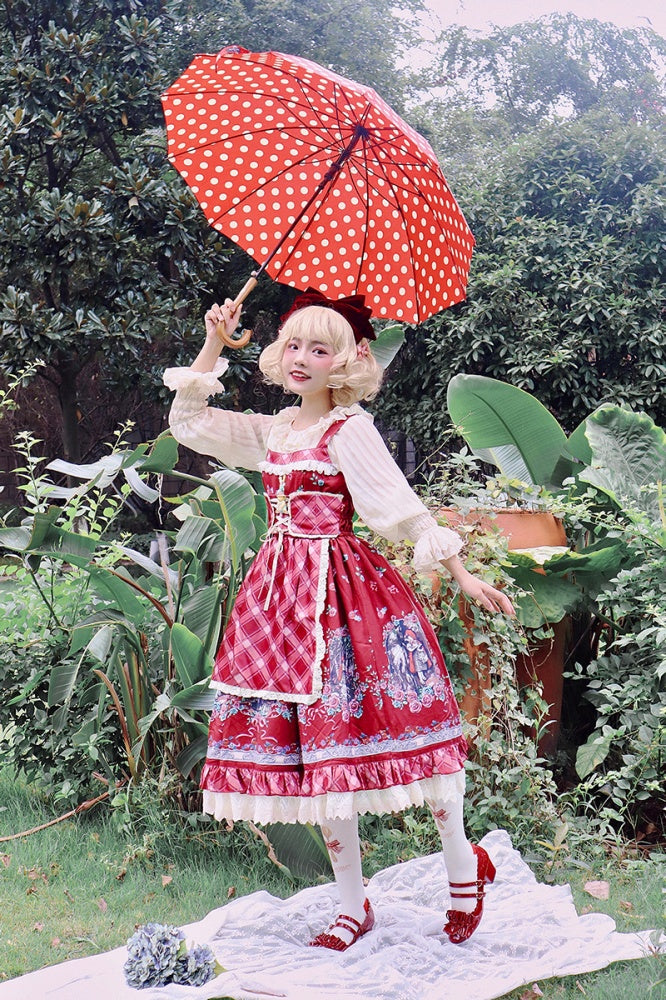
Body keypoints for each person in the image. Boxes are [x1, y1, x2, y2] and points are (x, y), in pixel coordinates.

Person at [163, 288, 515, 951]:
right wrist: (215, 339)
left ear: (347, 362)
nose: (301, 359)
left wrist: (462, 572)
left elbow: (399, 506)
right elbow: (189, 421)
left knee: (415, 730)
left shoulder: (350, 430)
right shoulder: (272, 430)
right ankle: (353, 905)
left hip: (348, 604)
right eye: (293, 344)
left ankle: (463, 865)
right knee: (317, 762)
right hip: (278, 611)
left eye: (319, 349)